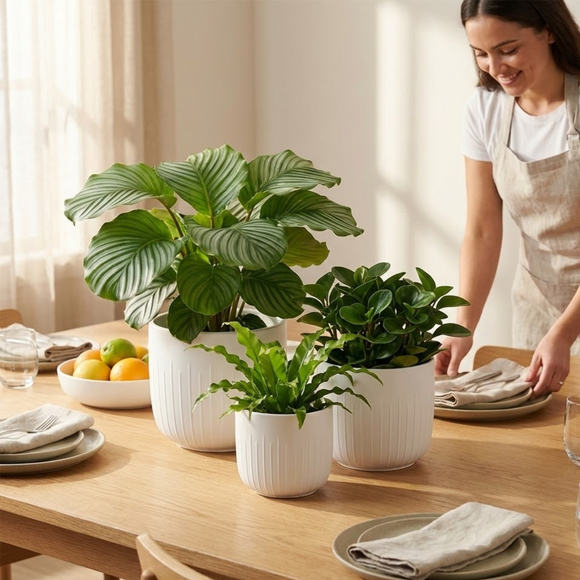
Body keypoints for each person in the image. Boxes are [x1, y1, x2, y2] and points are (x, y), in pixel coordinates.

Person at [435, 0, 580, 396]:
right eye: (481, 54)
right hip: (537, 304)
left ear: (548, 30)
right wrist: (461, 329)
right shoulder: (484, 111)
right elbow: (482, 230)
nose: (495, 68)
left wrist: (565, 334)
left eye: (508, 49)